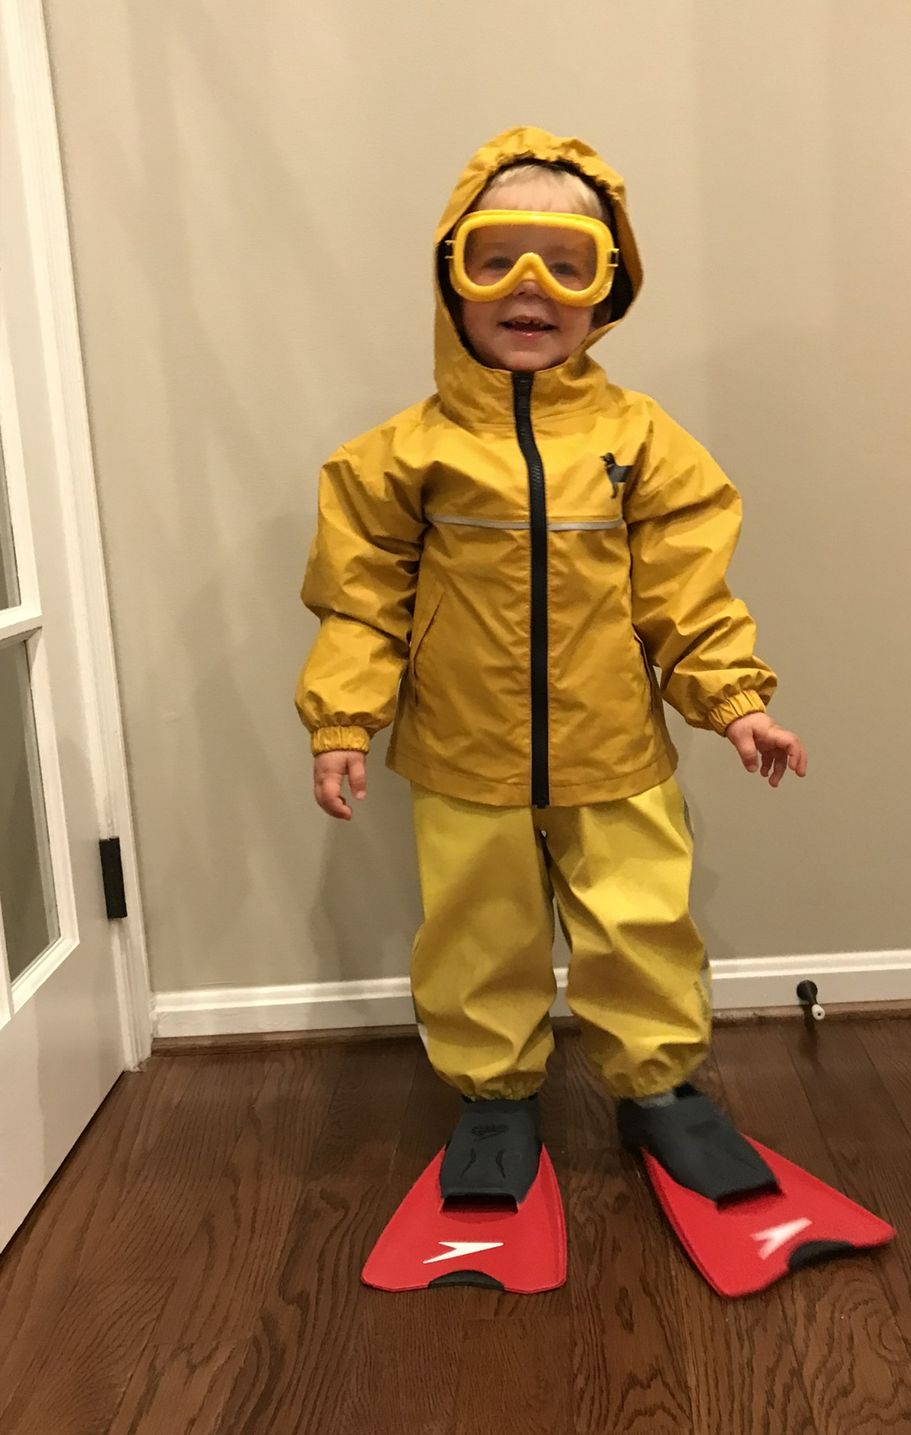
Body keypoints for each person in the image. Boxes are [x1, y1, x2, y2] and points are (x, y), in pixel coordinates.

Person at [296, 126, 807, 1202]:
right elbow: (360, 600)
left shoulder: (645, 443)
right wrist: (343, 720)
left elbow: (686, 591)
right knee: (479, 932)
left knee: (640, 922)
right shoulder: (399, 458)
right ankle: (492, 1096)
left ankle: (660, 1091)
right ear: (452, 275)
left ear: (608, 291)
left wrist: (734, 704)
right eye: (498, 260)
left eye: (568, 267)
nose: (531, 289)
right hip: (460, 752)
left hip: (614, 747)